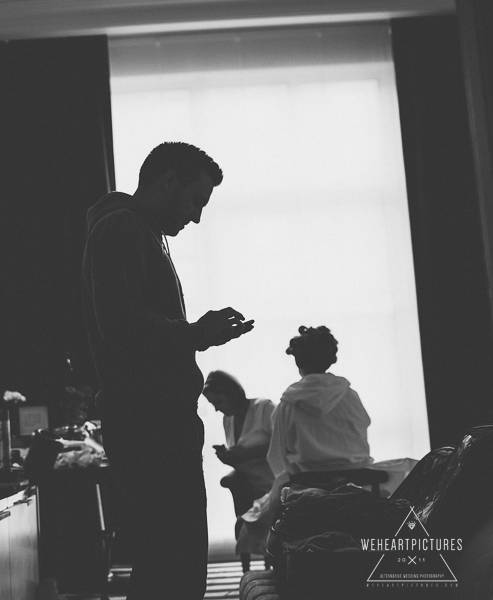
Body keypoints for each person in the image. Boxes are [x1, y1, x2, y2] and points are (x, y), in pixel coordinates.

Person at [81, 141, 254, 599]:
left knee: (171, 565)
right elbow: (122, 326)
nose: (196, 217)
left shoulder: (139, 231)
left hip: (156, 424)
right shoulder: (121, 228)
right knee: (171, 567)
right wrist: (197, 334)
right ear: (168, 180)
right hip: (149, 426)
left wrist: (202, 332)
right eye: (196, 201)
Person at [238, 326, 372, 549]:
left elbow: (276, 457)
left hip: (306, 486)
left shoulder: (287, 405)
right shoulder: (350, 396)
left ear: (298, 362)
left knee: (260, 515)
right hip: (355, 482)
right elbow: (361, 438)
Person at [202, 370, 275, 570]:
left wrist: (244, 455)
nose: (217, 410)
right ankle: (247, 570)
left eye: (218, 402)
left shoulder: (264, 408)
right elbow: (241, 454)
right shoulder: (228, 419)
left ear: (231, 393)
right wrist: (229, 457)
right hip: (248, 482)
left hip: (274, 479)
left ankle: (272, 564)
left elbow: (284, 445)